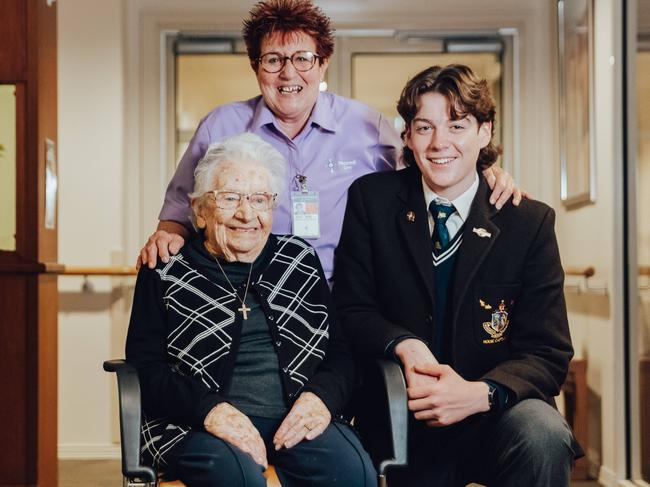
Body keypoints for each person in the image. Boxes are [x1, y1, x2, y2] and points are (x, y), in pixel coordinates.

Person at [138, 0, 522, 280]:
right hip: (243, 292)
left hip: (345, 298)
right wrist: (165, 240)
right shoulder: (220, 126)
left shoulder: (367, 126)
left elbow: (432, 168)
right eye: (273, 59)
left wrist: (485, 170)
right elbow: (177, 217)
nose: (289, 73)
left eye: (303, 58)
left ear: (323, 62)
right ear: (256, 67)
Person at [333, 64, 580, 486]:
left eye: (457, 125)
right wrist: (403, 343)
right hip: (401, 415)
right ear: (407, 137)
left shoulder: (528, 222)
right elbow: (352, 309)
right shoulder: (371, 201)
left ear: (485, 132)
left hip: (495, 413)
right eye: (424, 127)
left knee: (545, 433)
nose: (439, 143)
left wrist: (478, 394)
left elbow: (548, 353)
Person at [126, 133, 376, 487]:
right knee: (239, 479)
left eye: (259, 200)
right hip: (194, 425)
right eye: (229, 198)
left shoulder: (299, 260)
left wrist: (320, 399)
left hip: (293, 418)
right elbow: (145, 366)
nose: (247, 214)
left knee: (352, 471)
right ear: (199, 211)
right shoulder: (166, 268)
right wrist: (210, 411)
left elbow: (339, 352)